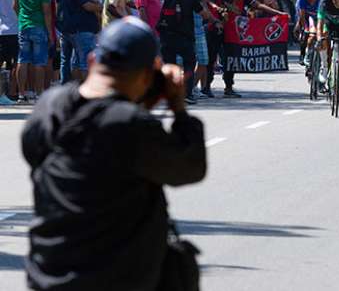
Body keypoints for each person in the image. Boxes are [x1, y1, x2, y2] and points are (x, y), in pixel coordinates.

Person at [22, 16, 206, 291]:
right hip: (115, 279)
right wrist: (178, 106)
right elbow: (189, 166)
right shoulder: (131, 124)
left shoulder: (50, 106)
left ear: (94, 59)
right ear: (148, 74)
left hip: (48, 276)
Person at [158, 0, 200, 104]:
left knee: (170, 66)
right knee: (189, 65)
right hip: (185, 37)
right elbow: (204, 13)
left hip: (167, 36)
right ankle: (187, 94)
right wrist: (215, 20)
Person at [15, 0, 53, 103]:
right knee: (39, 62)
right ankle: (38, 94)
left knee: (22, 60)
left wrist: (21, 18)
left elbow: (15, 6)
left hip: (23, 26)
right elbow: (47, 12)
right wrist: (50, 33)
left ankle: (21, 94)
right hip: (39, 26)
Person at [0, 0, 18, 104]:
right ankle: (11, 93)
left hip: (1, 30)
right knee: (13, 64)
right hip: (14, 30)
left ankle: (4, 94)